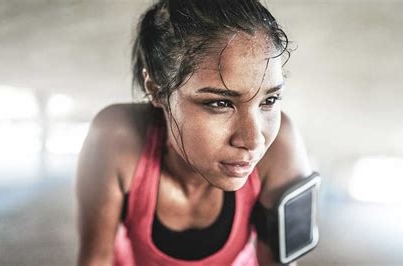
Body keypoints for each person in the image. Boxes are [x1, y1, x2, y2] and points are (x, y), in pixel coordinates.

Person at [76, 0, 313, 265]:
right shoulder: (116, 139)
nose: (254, 140)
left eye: (269, 100)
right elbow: (96, 259)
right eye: (220, 103)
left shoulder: (281, 147)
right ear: (155, 88)